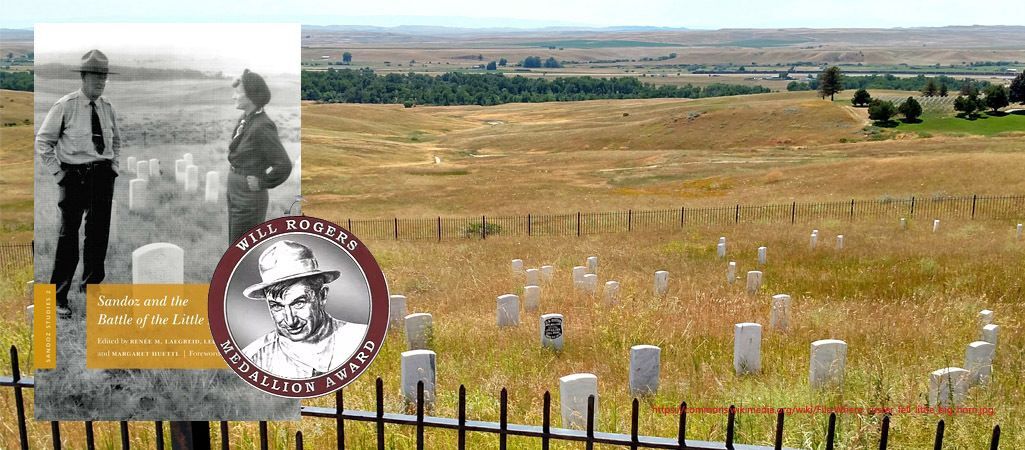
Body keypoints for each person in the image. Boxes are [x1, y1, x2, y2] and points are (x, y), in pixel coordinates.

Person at [36, 49, 121, 318]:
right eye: (96, 76)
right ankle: (57, 298)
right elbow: (43, 142)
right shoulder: (66, 105)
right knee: (68, 238)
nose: (100, 81)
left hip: (102, 178)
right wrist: (59, 175)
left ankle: (92, 290)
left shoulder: (107, 107)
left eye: (104, 76)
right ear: (83, 76)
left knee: (98, 237)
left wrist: (113, 166)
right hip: (73, 177)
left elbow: (115, 141)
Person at [241, 240, 368, 378]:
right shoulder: (253, 359)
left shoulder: (362, 340)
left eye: (299, 303)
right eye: (277, 306)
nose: (290, 321)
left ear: (322, 296)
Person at [227, 69, 293, 244]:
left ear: (251, 96)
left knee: (243, 246)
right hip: (235, 188)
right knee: (235, 243)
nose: (234, 96)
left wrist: (263, 182)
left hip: (248, 196)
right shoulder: (247, 118)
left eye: (238, 92)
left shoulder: (262, 126)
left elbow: (283, 165)